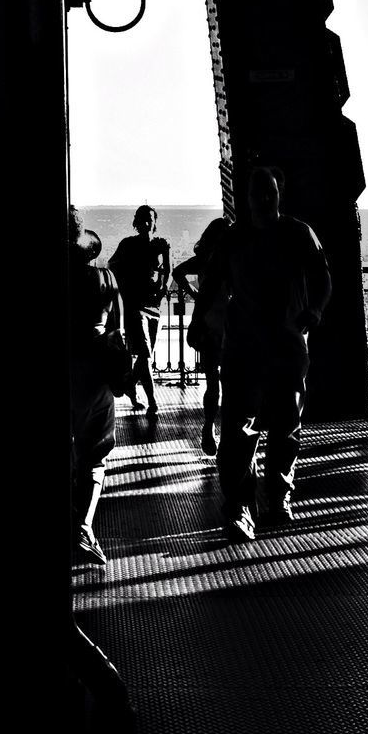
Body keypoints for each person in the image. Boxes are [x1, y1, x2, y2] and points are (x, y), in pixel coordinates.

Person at [201, 167, 331, 542]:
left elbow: (212, 284)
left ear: (277, 195)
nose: (262, 199)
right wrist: (314, 311)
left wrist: (315, 309)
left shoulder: (243, 237)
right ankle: (256, 502)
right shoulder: (295, 234)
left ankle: (261, 500)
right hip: (265, 344)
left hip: (269, 344)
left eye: (267, 192)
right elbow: (322, 277)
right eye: (258, 193)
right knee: (267, 425)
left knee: (265, 425)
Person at [68, 207, 122, 567]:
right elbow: (118, 327)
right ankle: (83, 527)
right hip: (94, 373)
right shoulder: (104, 280)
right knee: (95, 453)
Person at [172, 217, 230, 457]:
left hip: (207, 324)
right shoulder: (232, 260)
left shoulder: (204, 260)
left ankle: (209, 426)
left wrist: (194, 293)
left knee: (212, 381)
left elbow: (178, 272)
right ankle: (227, 431)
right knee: (229, 380)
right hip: (229, 324)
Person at [107, 205, 170, 421]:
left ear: (154, 222)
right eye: (143, 219)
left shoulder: (155, 246)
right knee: (145, 354)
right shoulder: (130, 245)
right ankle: (150, 401)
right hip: (138, 307)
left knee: (145, 357)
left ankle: (130, 387)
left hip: (153, 308)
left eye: (149, 219)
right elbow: (114, 266)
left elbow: (166, 273)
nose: (146, 223)